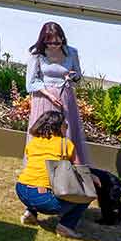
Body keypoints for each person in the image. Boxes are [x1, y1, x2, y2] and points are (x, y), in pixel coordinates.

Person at [16, 110, 90, 238]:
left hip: (21, 190)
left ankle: (30, 212)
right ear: (58, 126)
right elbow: (79, 168)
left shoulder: (33, 142)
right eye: (65, 125)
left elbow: (34, 165)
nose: (66, 127)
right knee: (86, 195)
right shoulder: (66, 143)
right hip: (43, 197)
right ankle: (66, 226)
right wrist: (92, 177)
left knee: (39, 181)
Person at [26, 22, 88, 165]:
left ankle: (69, 164)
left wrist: (72, 76)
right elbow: (31, 81)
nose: (54, 45)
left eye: (57, 42)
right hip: (44, 98)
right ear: (43, 41)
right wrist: (49, 95)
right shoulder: (36, 54)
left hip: (65, 96)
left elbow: (78, 75)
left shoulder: (71, 52)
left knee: (66, 129)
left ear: (62, 38)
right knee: (46, 130)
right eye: (50, 43)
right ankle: (42, 163)